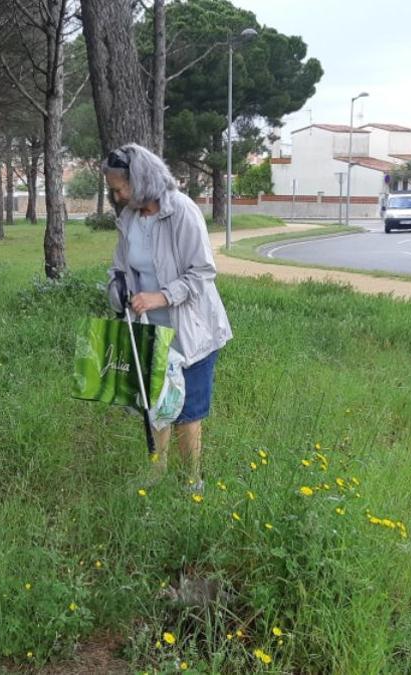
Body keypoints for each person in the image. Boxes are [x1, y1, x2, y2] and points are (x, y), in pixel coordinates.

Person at [103, 143, 232, 493]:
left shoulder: (182, 212)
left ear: (140, 179)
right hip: (150, 331)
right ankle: (155, 474)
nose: (116, 196)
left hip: (191, 331)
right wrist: (118, 290)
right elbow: (120, 268)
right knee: (154, 407)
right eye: (113, 189)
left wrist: (161, 296)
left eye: (119, 188)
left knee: (187, 413)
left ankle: (192, 481)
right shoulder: (129, 217)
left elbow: (203, 272)